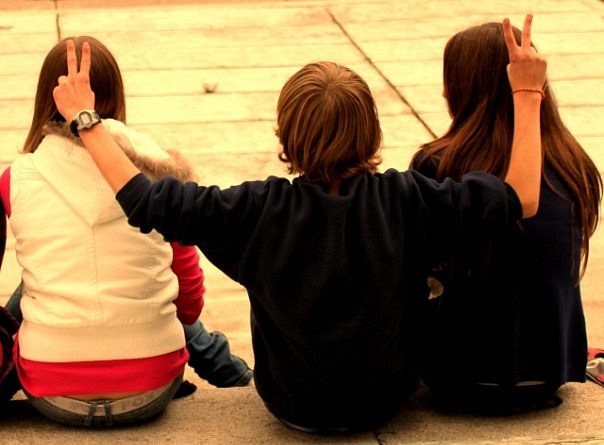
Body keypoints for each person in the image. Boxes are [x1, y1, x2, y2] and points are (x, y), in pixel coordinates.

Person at [52, 15, 545, 433]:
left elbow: (144, 201)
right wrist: (527, 93)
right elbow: (522, 197)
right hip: (385, 402)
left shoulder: (256, 210)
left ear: (286, 134)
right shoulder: (408, 201)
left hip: (293, 406)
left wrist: (84, 119)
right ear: (371, 131)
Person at [0, 36, 251, 427]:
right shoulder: (160, 174)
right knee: (146, 284)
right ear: (115, 95)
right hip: (152, 386)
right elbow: (188, 305)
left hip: (50, 391)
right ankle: (234, 374)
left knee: (37, 281)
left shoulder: (14, 180)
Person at [410, 21, 602, 414]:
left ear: (461, 88)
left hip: (459, 376)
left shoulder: (437, 164)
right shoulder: (572, 163)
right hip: (548, 373)